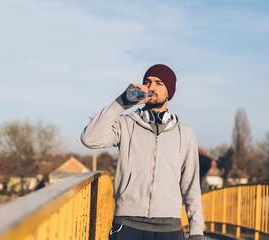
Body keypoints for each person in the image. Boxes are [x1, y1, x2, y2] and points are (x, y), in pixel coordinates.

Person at [81, 64, 204, 240]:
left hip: (170, 229)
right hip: (127, 225)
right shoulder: (126, 124)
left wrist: (197, 231)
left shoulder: (185, 133)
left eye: (158, 83)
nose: (151, 87)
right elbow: (89, 138)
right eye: (147, 82)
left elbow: (191, 185)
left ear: (170, 92)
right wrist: (122, 102)